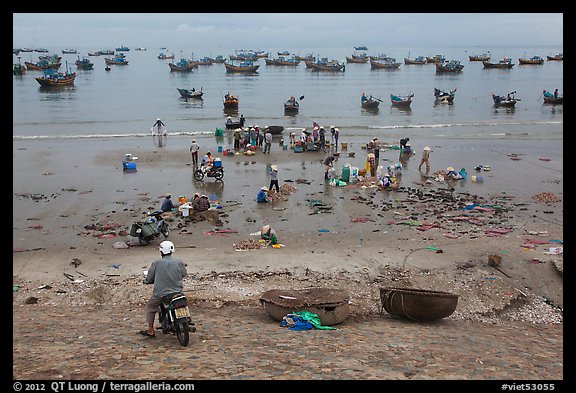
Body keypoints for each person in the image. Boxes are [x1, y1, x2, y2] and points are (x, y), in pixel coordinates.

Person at [140, 240, 188, 338]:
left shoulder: (156, 263)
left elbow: (149, 278)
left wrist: (146, 281)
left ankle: (150, 330)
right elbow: (184, 274)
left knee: (150, 307)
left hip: (161, 293)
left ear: (161, 251)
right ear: (172, 251)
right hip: (178, 292)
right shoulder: (179, 261)